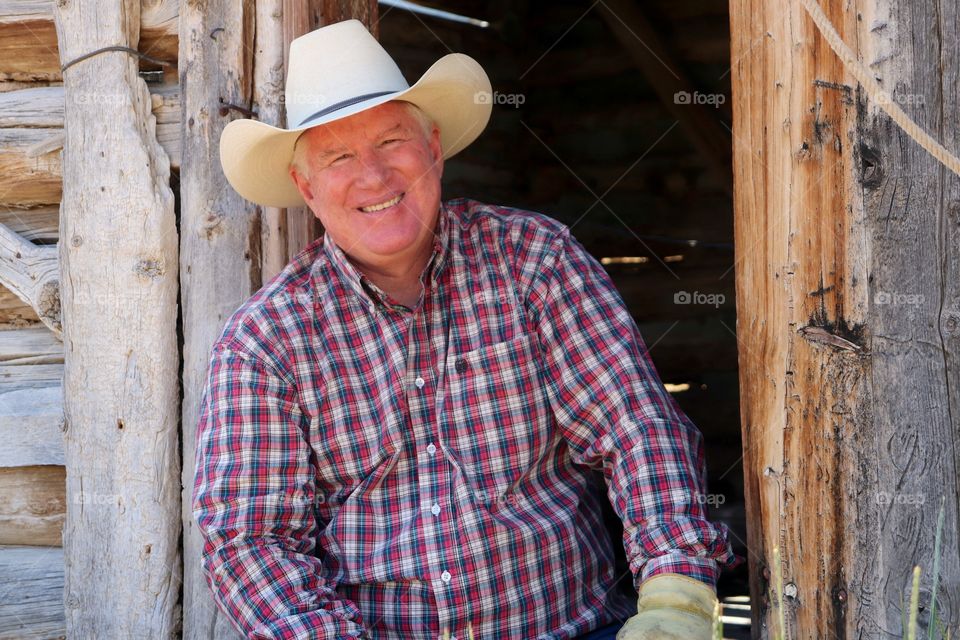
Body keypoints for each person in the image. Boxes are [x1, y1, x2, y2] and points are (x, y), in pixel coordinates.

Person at [195, 19, 741, 640]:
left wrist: (676, 595)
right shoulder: (265, 341)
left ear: (433, 147)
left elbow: (636, 430)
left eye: (392, 141)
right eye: (339, 156)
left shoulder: (533, 260)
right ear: (306, 186)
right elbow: (250, 540)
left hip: (573, 630)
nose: (373, 176)